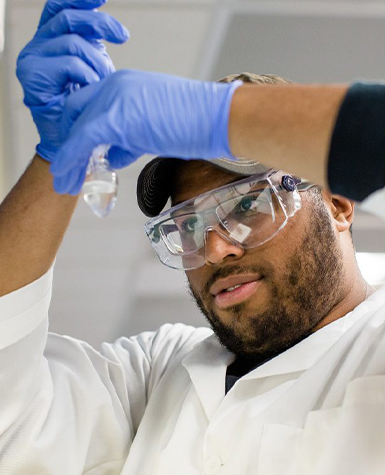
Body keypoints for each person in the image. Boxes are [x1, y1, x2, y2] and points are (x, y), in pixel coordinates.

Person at [3, 1, 385, 475]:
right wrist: (58, 159)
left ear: (339, 204)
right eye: (188, 224)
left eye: (247, 205)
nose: (214, 248)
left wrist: (219, 118)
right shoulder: (156, 374)